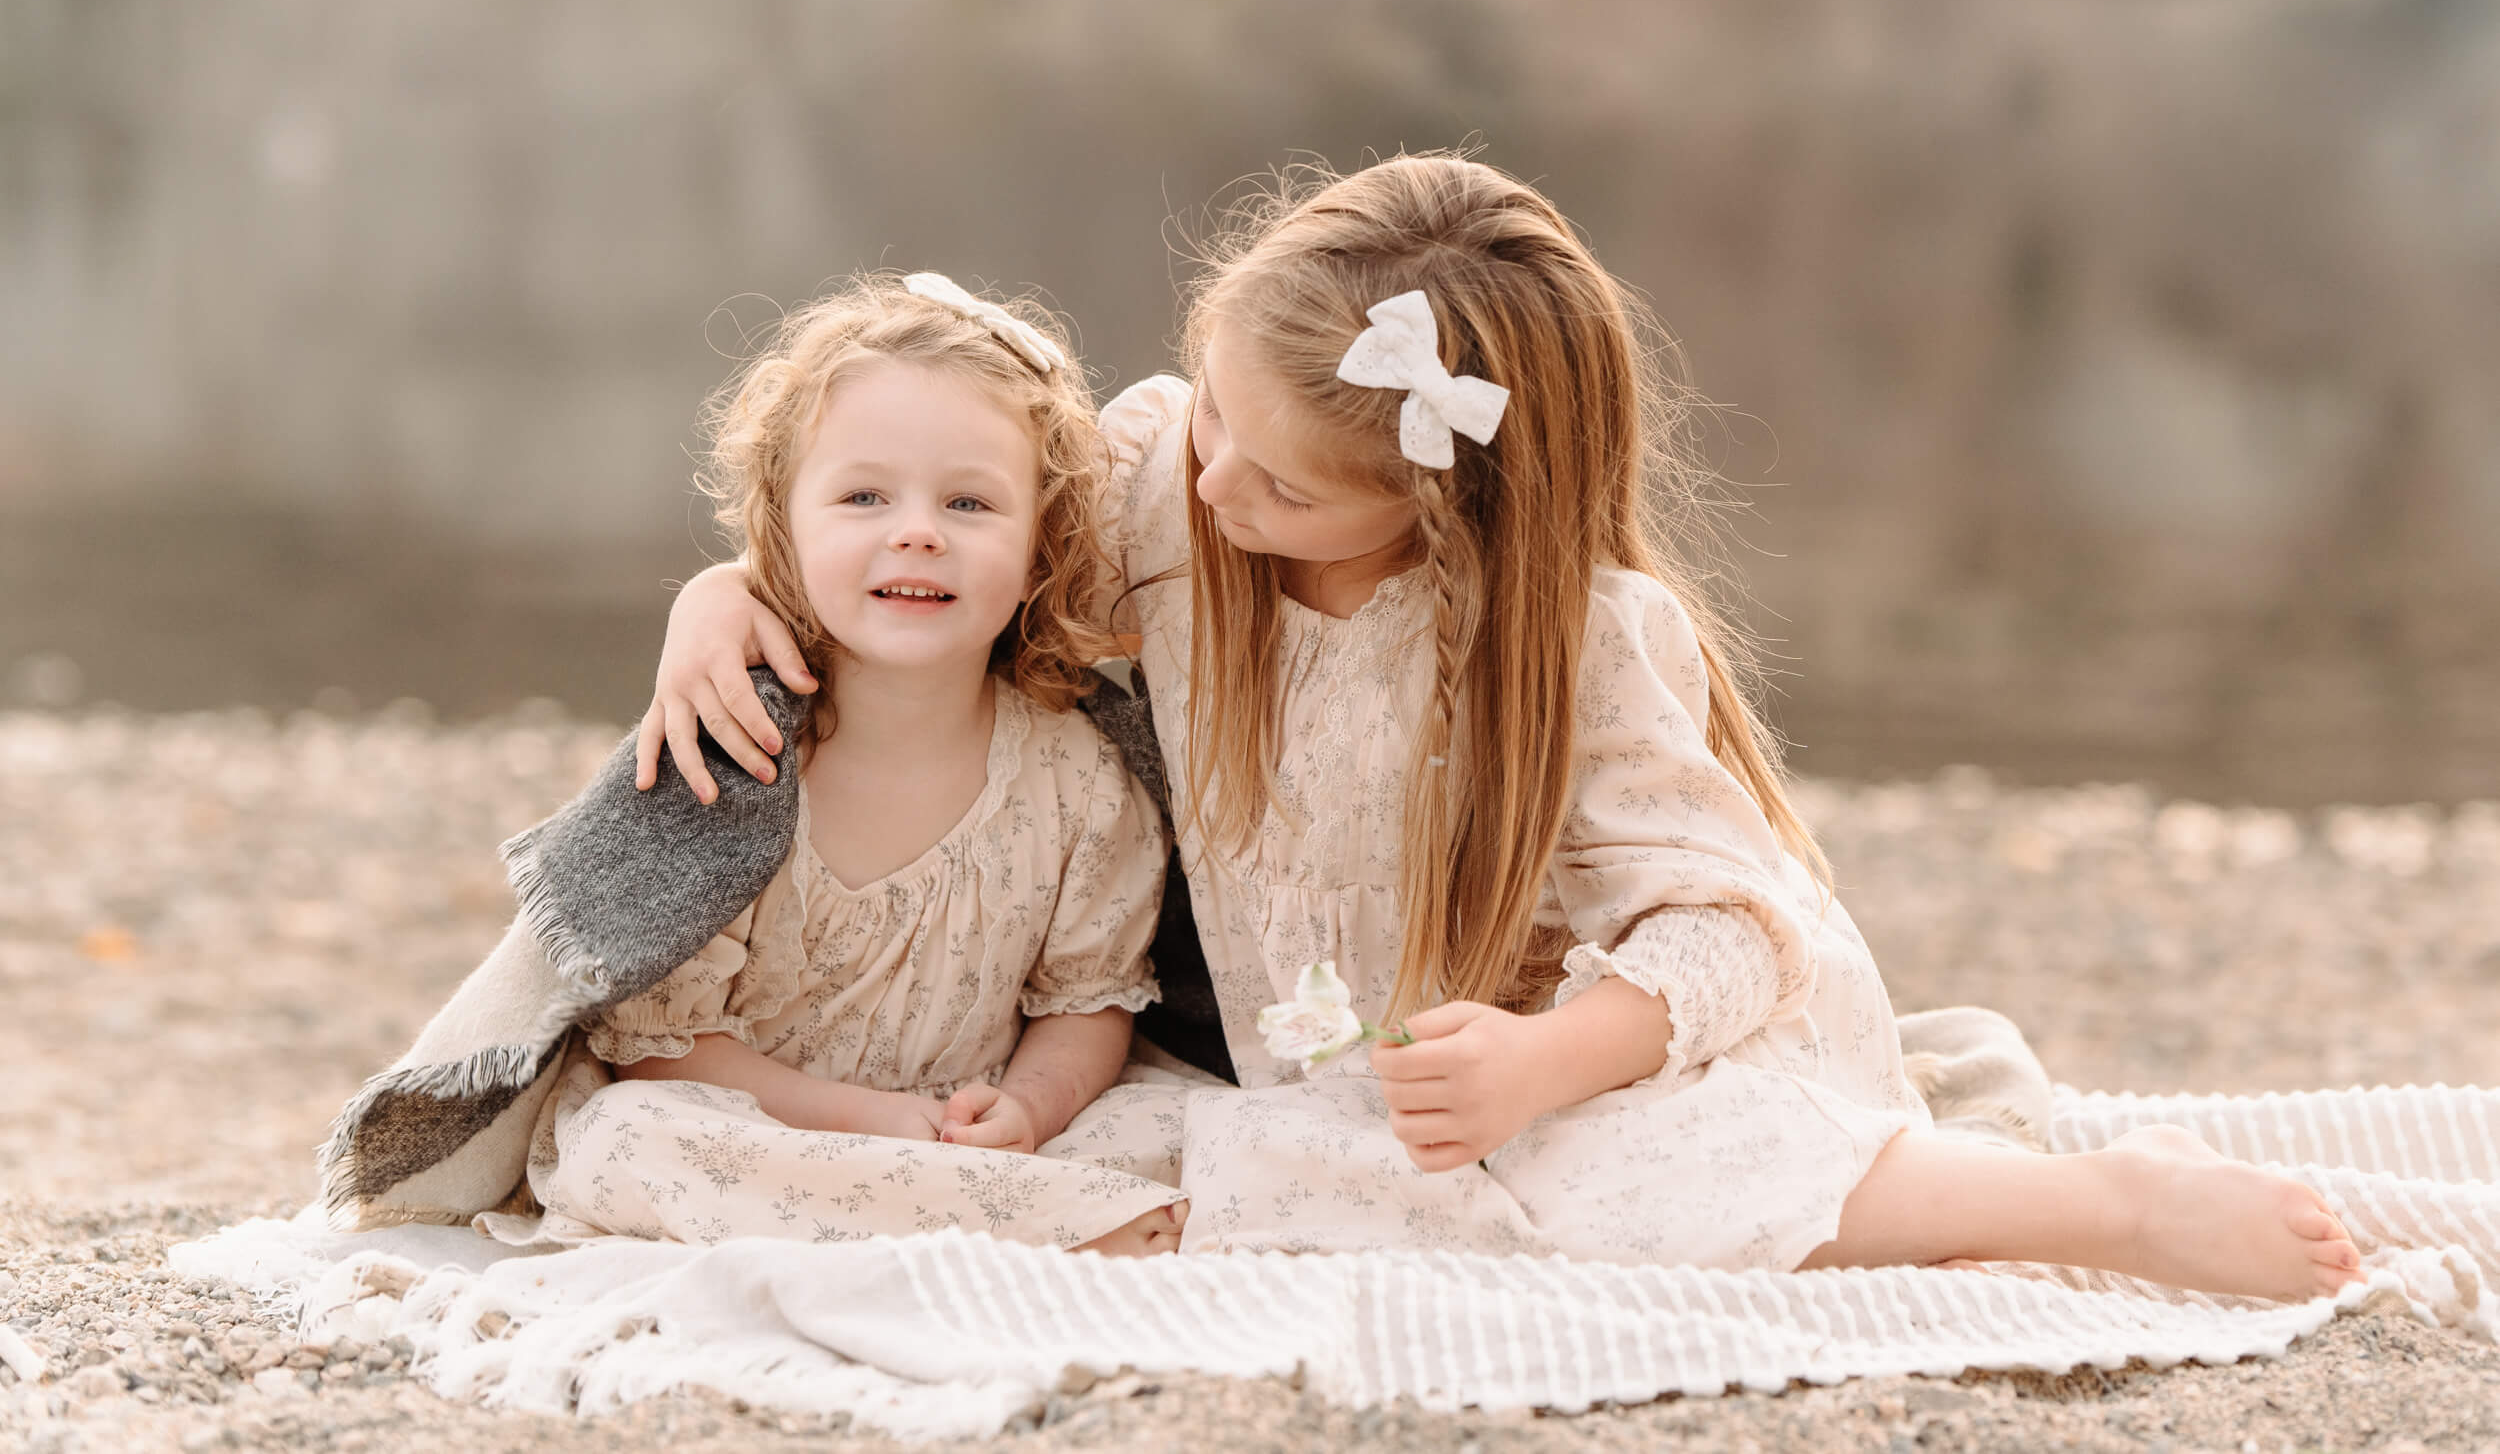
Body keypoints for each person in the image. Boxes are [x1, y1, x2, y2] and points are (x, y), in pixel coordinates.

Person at [644, 158, 2360, 1299]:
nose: (1215, 484)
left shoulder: (1573, 641)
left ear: (1436, 502)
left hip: (1574, 1054)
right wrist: (726, 594)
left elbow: (1730, 925)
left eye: (1283, 484)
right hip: (1334, 1074)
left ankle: (2106, 1204)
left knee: (1650, 1166)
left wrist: (1546, 1058)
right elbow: (943, 519)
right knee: (1076, 1166)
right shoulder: (1173, 474)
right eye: (1214, 414)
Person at [484, 272, 1187, 1256]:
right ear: (788, 530)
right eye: (863, 496)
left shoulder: (1080, 776)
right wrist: (866, 1123)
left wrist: (1028, 1106)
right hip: (763, 1129)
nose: (917, 530)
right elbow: (658, 1049)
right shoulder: (736, 744)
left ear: (1041, 547)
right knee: (628, 1139)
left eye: (970, 502)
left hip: (966, 1129)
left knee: (1179, 1120)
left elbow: (1089, 1001)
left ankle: (989, 1207)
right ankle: (1029, 1227)